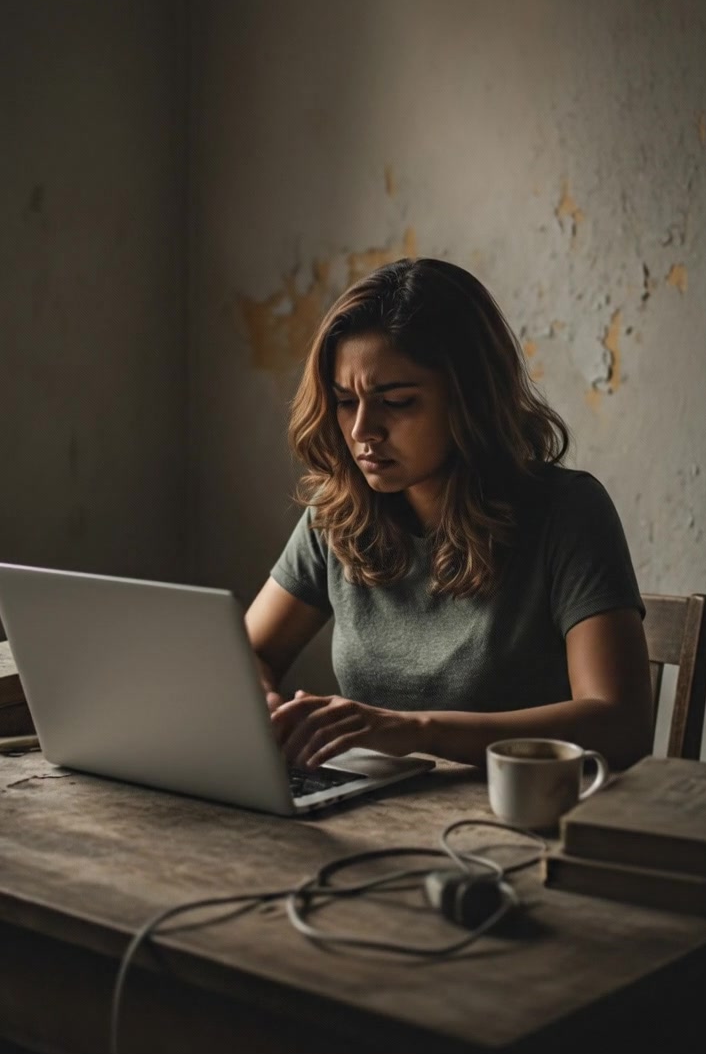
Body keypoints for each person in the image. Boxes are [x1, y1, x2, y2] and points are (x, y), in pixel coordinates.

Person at [245, 257, 653, 774]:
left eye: (396, 401)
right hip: (375, 813)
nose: (362, 431)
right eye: (346, 402)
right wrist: (264, 706)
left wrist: (415, 730)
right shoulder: (341, 514)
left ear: (470, 399)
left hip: (520, 821)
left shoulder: (566, 512)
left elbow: (620, 726)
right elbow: (248, 654)